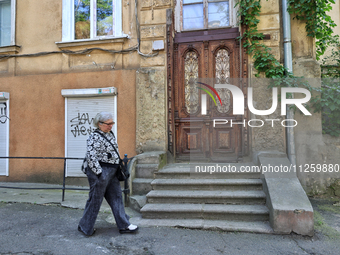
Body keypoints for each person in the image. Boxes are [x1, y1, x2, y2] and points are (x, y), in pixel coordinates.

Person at [78, 111, 138, 236]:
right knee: (95, 200)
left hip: (112, 172)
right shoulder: (94, 137)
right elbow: (91, 157)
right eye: (108, 124)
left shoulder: (110, 134)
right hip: (100, 172)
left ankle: (124, 225)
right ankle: (85, 227)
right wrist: (99, 174)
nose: (111, 126)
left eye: (112, 123)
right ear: (99, 124)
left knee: (117, 197)